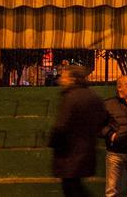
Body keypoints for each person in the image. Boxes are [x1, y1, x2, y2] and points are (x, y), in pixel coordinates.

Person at [50, 65, 107, 197]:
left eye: (64, 76)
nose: (61, 79)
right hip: (87, 150)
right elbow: (103, 120)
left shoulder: (70, 97)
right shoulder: (94, 96)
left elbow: (61, 126)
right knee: (75, 186)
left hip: (69, 153)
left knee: (71, 188)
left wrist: (54, 143)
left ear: (73, 79)